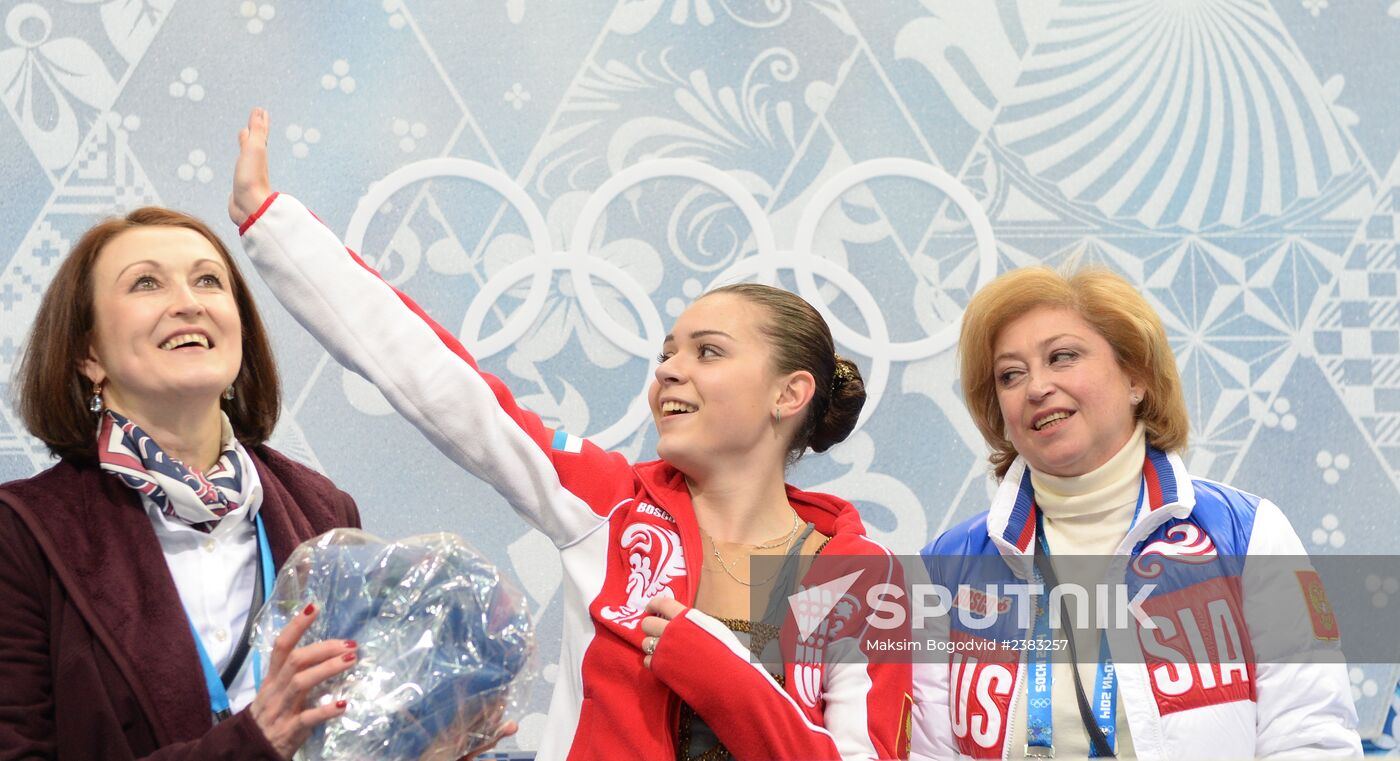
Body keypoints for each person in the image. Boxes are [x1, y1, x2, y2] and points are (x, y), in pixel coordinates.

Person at [228, 108, 912, 760]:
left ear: (789, 393)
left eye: (707, 352)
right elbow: (445, 384)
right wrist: (274, 225)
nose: (671, 370)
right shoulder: (612, 508)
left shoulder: (864, 576)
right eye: (667, 354)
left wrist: (717, 669)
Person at [910, 266, 1363, 759]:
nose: (1036, 387)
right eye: (1010, 375)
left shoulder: (1247, 534)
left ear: (1136, 378)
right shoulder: (944, 567)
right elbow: (927, 751)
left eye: (1062, 357)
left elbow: (1310, 736)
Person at [0, 206, 365, 760]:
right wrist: (249, 745)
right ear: (88, 354)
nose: (189, 302)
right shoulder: (21, 534)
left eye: (208, 280)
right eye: (146, 282)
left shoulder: (325, 512)